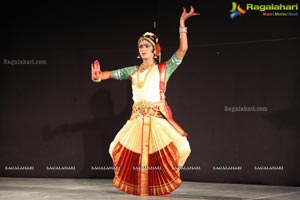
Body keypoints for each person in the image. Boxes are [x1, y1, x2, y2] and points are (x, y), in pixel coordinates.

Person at [91, 5, 200, 196]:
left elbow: (183, 49)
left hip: (157, 118)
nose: (143, 49)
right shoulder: (132, 71)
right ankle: (140, 187)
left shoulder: (164, 68)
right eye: (140, 46)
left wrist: (182, 24)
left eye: (147, 46)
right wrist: (98, 76)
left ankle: (162, 180)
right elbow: (109, 74)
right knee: (114, 147)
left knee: (183, 147)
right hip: (137, 121)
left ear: (155, 50)